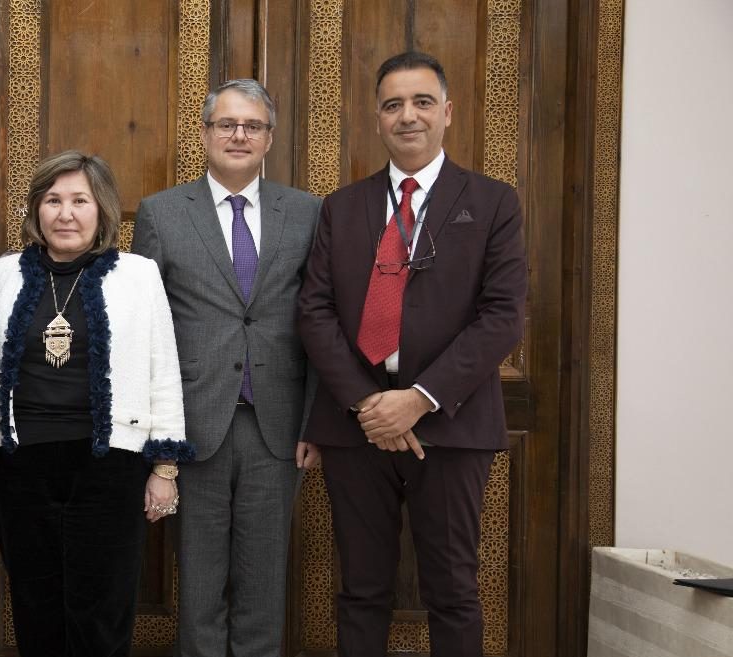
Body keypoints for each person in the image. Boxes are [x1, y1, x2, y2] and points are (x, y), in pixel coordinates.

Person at [297, 51, 527, 657]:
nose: (409, 116)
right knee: (361, 590)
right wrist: (372, 402)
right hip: (358, 428)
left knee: (452, 590)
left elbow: (503, 317)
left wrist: (418, 401)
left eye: (422, 102)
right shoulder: (341, 207)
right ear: (377, 119)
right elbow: (314, 312)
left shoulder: (494, 202)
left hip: (450, 429)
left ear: (447, 113)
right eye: (394, 105)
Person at [0, 150, 192, 657]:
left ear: (102, 209)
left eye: (79, 200)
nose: (65, 213)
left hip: (110, 467)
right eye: (53, 200)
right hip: (19, 466)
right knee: (34, 605)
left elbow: (163, 368)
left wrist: (165, 467)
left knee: (102, 610)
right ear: (36, 210)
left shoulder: (138, 275)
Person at [131, 79, 322, 657]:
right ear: (206, 133)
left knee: (265, 581)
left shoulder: (308, 212)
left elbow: (321, 320)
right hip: (193, 425)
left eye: (253, 126)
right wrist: (154, 434)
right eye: (227, 124)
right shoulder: (163, 214)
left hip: (278, 425)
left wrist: (315, 422)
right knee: (199, 581)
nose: (239, 134)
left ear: (270, 137)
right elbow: (145, 327)